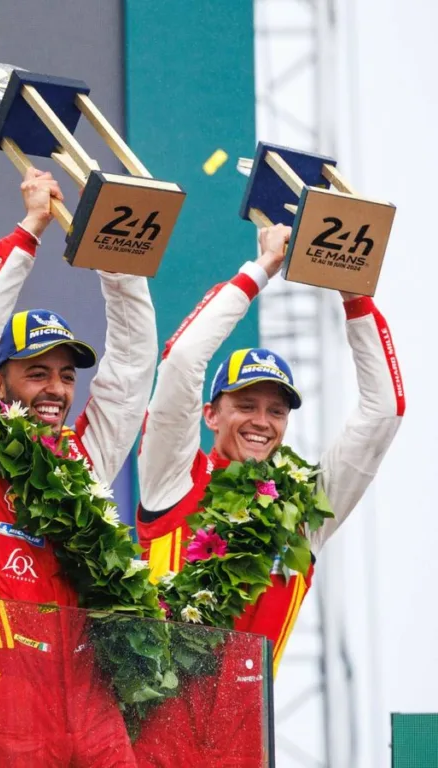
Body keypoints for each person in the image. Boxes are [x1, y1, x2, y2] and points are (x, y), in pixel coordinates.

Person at [131, 224, 405, 766]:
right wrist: (260, 271)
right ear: (211, 414)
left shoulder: (304, 514)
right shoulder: (173, 479)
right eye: (245, 405)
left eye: (276, 411)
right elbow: (183, 362)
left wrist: (353, 293)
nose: (261, 422)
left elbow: (384, 413)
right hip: (144, 748)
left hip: (244, 752)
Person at [0, 168, 157, 767]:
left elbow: (131, 368)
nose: (55, 389)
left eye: (66, 375)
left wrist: (115, 252)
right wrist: (29, 231)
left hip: (94, 710)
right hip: (7, 718)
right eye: (37, 372)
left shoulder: (84, 463)